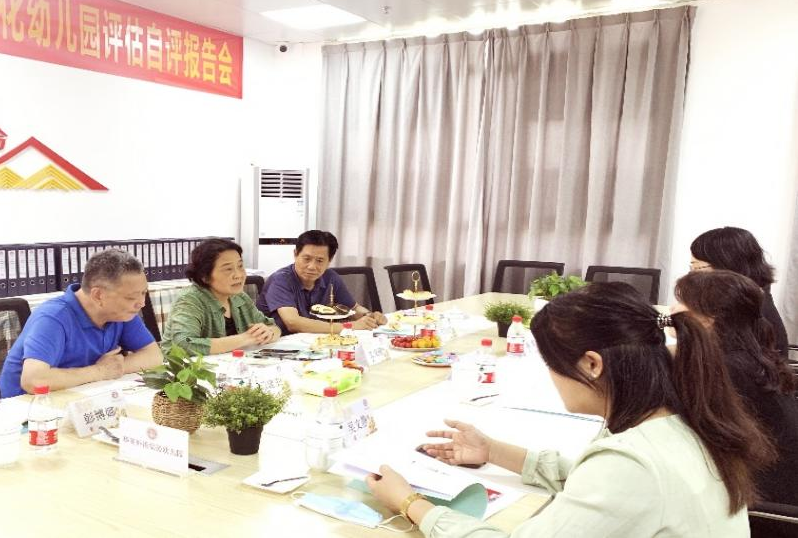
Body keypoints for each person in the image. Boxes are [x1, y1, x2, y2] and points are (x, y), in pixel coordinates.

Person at [366, 282, 774, 537]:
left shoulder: (631, 464)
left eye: (552, 364)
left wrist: (411, 504)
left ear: (592, 364)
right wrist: (493, 451)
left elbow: (615, 481)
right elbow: (590, 481)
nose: (551, 376)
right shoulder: (679, 417)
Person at [674, 269, 798, 506]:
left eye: (683, 302)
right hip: (770, 481)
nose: (674, 309)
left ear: (709, 318)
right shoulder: (749, 355)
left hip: (764, 500)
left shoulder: (729, 369)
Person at [0, 249, 163, 397]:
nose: (141, 303)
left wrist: (114, 368)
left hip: (78, 398)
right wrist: (99, 371)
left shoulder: (121, 314)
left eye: (144, 293)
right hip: (26, 410)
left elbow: (154, 356)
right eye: (131, 297)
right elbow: (34, 380)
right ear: (98, 295)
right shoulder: (53, 317)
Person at [162, 239, 280, 355]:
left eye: (240, 266)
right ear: (205, 276)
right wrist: (245, 338)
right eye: (228, 269)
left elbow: (273, 326)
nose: (238, 275)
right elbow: (183, 344)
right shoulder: (189, 300)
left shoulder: (240, 297)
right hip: (188, 367)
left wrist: (269, 332)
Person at [256, 230, 387, 334]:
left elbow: (353, 308)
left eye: (319, 261)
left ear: (329, 260)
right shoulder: (280, 280)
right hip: (277, 344)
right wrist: (350, 326)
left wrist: (369, 316)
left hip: (313, 341)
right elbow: (293, 323)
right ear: (295, 254)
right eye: (306, 259)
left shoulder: (331, 277)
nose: (312, 266)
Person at [690, 226, 790, 358]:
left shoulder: (746, 309)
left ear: (725, 266)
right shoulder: (752, 297)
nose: (691, 276)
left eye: (697, 268)